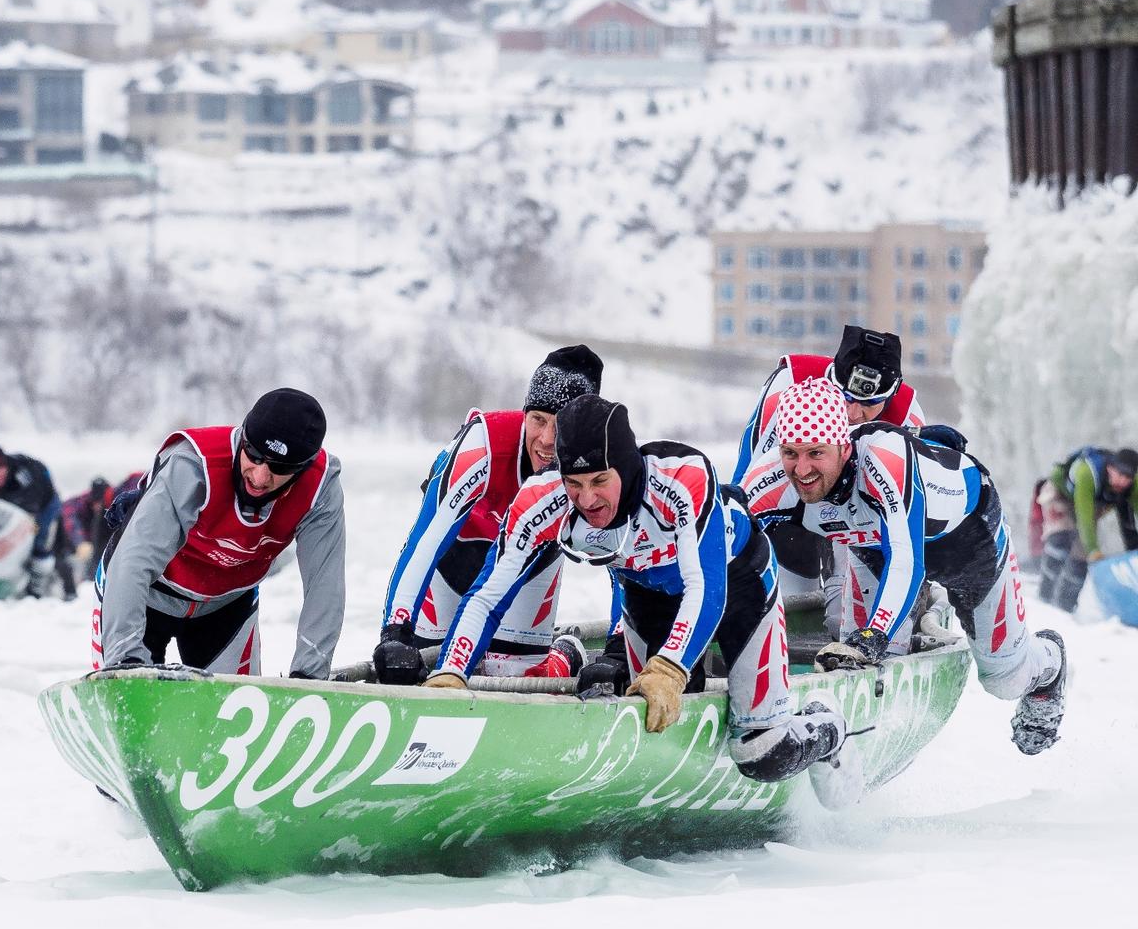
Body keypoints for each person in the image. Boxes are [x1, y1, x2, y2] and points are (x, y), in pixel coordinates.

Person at [431, 394, 847, 784]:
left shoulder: (682, 477)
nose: (586, 499)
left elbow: (705, 588)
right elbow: (487, 597)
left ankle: (825, 725)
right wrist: (450, 672)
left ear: (626, 468)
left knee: (761, 755)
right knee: (652, 725)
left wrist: (669, 669)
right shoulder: (542, 498)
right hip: (648, 595)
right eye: (574, 483)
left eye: (599, 480)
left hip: (737, 582)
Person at [742, 378, 1068, 756]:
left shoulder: (884, 460)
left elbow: (907, 561)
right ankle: (845, 742)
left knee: (1004, 678)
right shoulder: (768, 479)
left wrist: (876, 632)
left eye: (816, 453)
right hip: (875, 549)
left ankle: (1049, 662)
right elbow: (722, 549)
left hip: (966, 541)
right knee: (850, 665)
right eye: (790, 453)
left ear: (844, 446)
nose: (801, 470)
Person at [374, 344, 604, 683]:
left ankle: (564, 654)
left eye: (560, 426)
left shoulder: (596, 464)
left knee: (515, 679)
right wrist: (395, 631)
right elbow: (425, 541)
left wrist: (618, 647)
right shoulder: (483, 444)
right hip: (454, 561)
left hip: (530, 565)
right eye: (538, 420)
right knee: (421, 669)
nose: (546, 439)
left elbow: (622, 557)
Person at [94, 387, 345, 678]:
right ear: (243, 439)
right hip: (146, 591)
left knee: (239, 705)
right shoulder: (193, 464)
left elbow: (325, 585)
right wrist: (124, 662)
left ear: (302, 469)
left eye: (279, 467)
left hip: (227, 603)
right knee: (128, 682)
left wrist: (309, 675)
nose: (260, 477)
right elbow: (133, 562)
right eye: (254, 456)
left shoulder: (320, 488)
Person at [735, 326, 926, 615]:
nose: (852, 414)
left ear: (890, 395)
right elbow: (747, 474)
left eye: (869, 403)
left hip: (858, 514)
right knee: (783, 593)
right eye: (845, 397)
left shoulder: (908, 414)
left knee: (843, 613)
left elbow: (911, 512)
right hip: (792, 505)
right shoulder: (791, 382)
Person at [1039, 445, 1138, 611]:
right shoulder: (1088, 473)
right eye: (1120, 474)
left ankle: (1065, 606)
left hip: (1091, 503)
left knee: (1081, 557)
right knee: (1061, 540)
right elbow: (1084, 518)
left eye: (1128, 477)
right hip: (1060, 494)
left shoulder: (1133, 485)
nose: (1123, 481)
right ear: (1110, 468)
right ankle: (1044, 596)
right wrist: (1093, 549)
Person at [0, 445, 72, 598]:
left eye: (1, 468)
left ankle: (41, 590)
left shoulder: (25, 476)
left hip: (45, 505)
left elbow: (31, 511)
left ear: (8, 467)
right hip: (13, 505)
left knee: (42, 543)